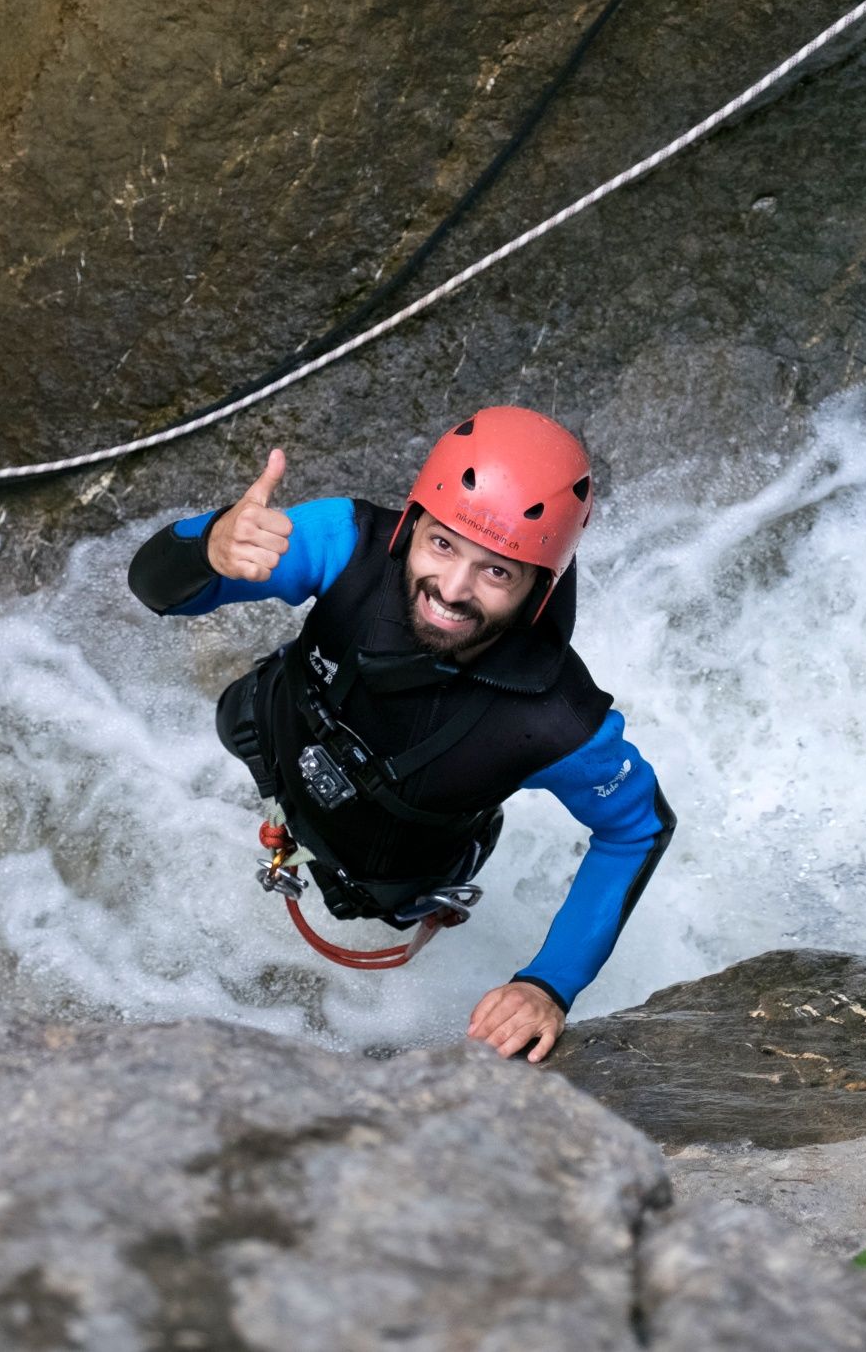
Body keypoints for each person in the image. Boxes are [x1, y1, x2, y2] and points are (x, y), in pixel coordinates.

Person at [127, 406, 675, 1062]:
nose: (451, 588)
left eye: (496, 571)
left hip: (391, 865)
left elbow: (636, 828)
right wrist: (212, 543)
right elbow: (155, 588)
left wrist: (548, 984)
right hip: (266, 734)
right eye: (442, 544)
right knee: (241, 716)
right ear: (411, 523)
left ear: (539, 589)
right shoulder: (346, 544)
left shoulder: (553, 720)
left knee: (385, 902)